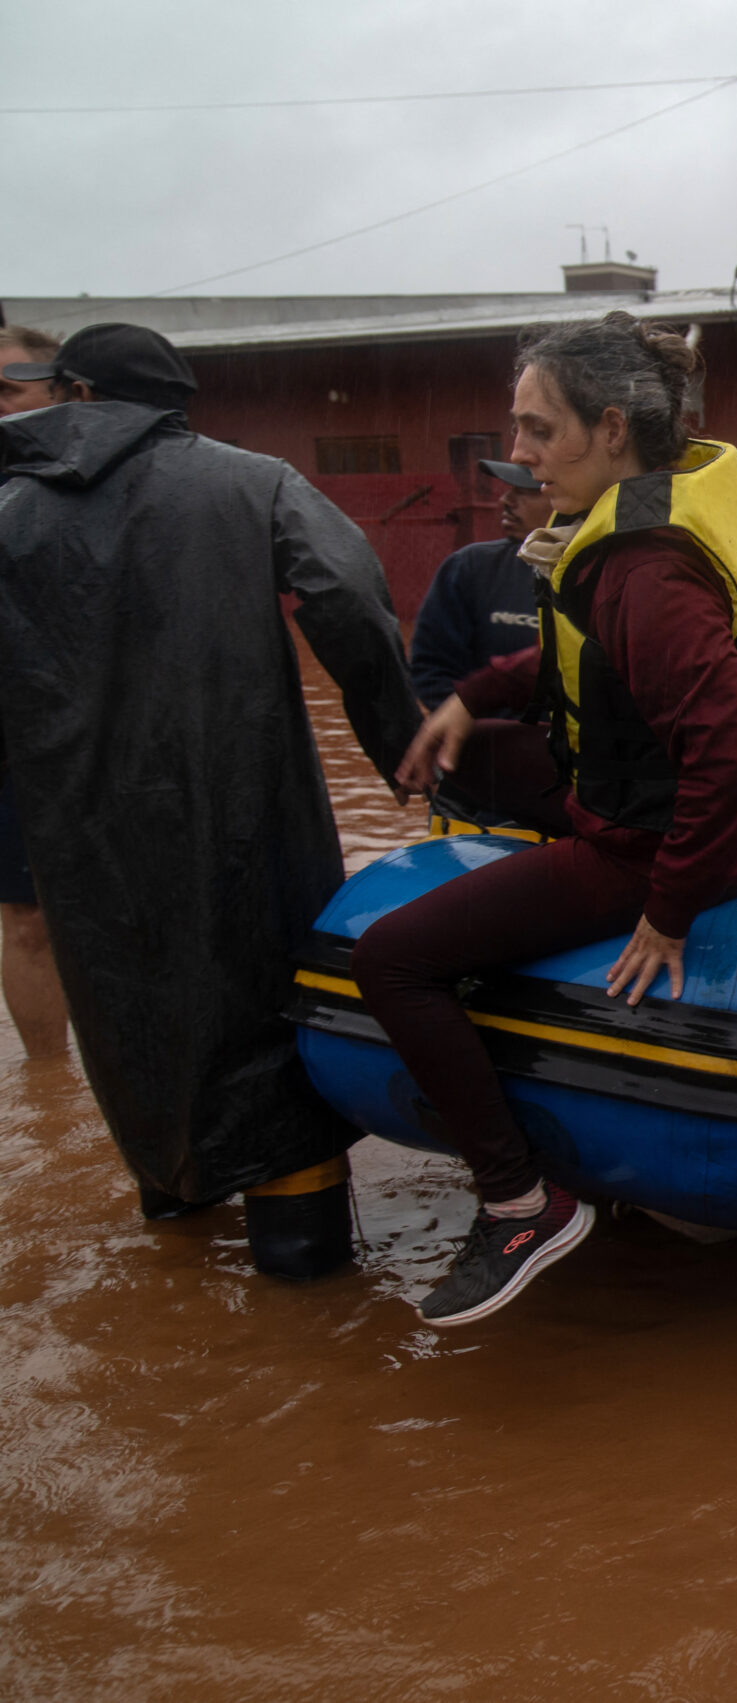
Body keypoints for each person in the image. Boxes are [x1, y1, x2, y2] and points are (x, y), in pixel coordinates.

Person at [352, 312, 737, 1328]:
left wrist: (668, 912)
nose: (514, 455)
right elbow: (584, 655)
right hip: (667, 816)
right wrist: (471, 696)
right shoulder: (649, 514)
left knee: (390, 959)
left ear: (611, 427)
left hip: (661, 848)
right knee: (489, 778)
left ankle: (520, 1202)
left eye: (535, 430)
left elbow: (726, 755)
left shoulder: (647, 571)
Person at [0, 323, 418, 1275]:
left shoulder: (11, 514)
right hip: (246, 809)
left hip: (83, 835)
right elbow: (349, 596)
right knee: (270, 1022)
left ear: (72, 392)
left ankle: (174, 1219)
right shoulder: (251, 481)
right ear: (175, 404)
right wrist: (400, 747)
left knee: (133, 1028)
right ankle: (303, 1272)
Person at [0, 324, 67, 1060]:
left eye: (8, 391)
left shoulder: (106, 474)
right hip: (14, 728)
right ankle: (53, 1092)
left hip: (107, 721)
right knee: (26, 918)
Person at [407, 460, 550, 712]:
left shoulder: (606, 572)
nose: (505, 501)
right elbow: (432, 670)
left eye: (524, 491)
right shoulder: (470, 568)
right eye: (509, 490)